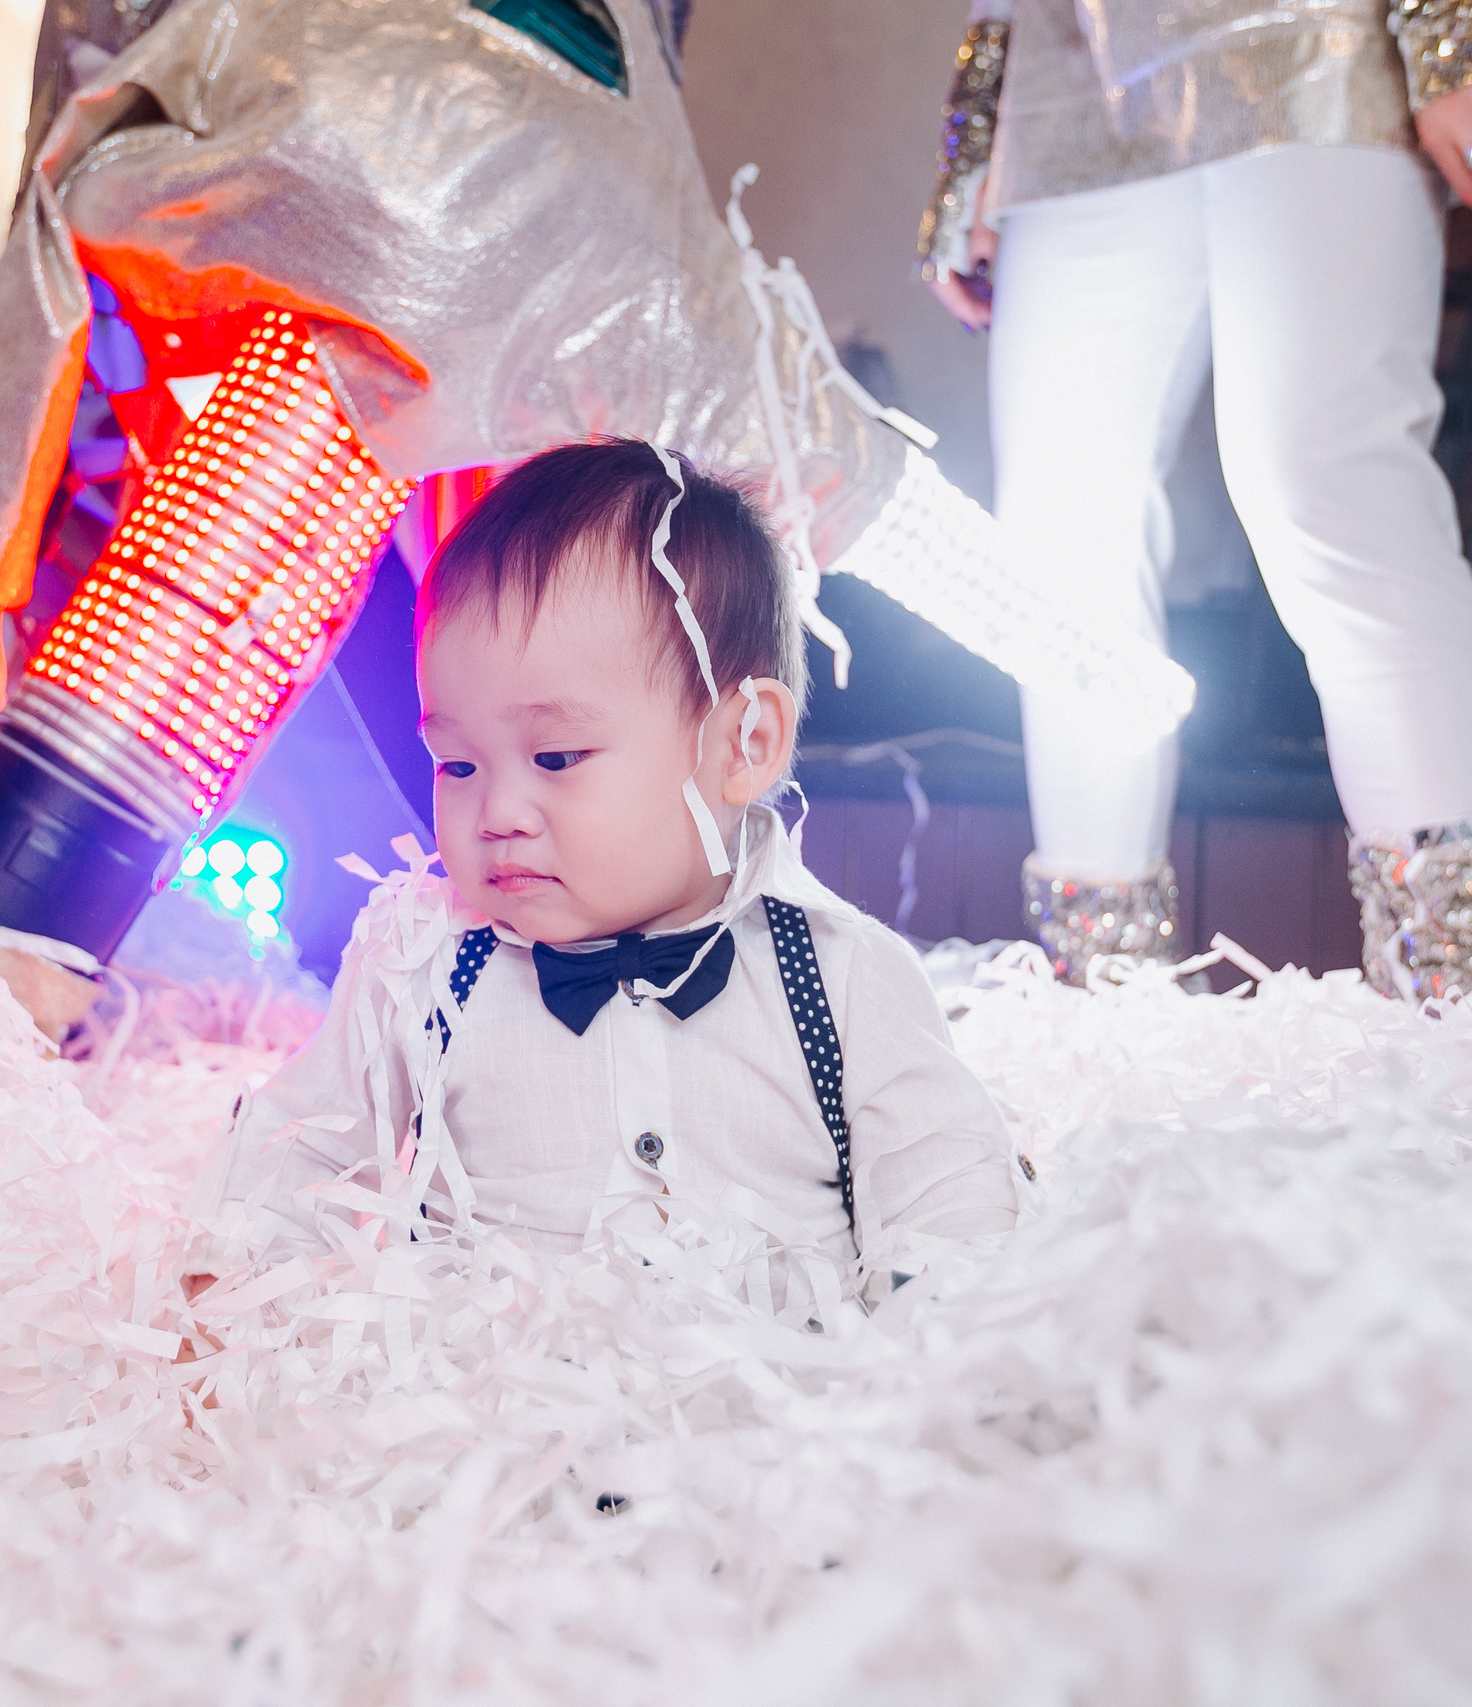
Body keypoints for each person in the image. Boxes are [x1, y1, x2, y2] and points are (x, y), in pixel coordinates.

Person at [189, 441, 1019, 1315]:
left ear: (745, 743)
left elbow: (949, 1194)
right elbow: (301, 1138)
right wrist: (230, 1275)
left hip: (778, 1416)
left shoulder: (841, 975)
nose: (497, 809)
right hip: (484, 1421)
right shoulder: (425, 963)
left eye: (556, 754)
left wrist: (939, 1355)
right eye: (457, 764)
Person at [917, 0, 1472, 1000]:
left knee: (1324, 481)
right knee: (1060, 523)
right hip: (1080, 50)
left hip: (1316, 21)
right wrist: (984, 104)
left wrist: (1455, 20)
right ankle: (1102, 1001)